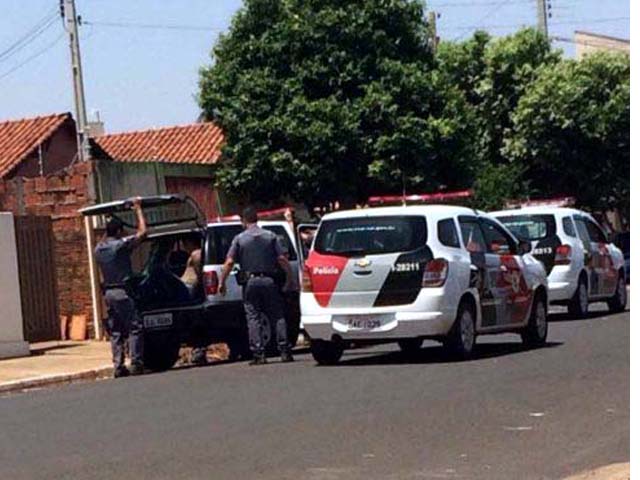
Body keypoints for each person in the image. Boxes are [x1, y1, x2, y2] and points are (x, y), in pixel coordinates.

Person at [219, 206, 295, 365]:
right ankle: (284, 350)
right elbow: (282, 259)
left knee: (253, 316)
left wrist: (222, 282)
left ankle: (258, 353)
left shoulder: (239, 239)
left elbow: (229, 262)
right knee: (277, 314)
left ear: (244, 221)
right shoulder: (270, 236)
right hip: (269, 280)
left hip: (250, 282)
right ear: (257, 219)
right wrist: (289, 277)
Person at [95, 198, 148, 378]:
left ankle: (118, 365)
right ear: (118, 231)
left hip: (108, 294)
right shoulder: (120, 246)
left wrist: (111, 218)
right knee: (135, 326)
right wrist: (138, 209)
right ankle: (136, 362)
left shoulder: (98, 249)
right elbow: (143, 233)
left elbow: (106, 237)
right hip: (122, 291)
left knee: (116, 330)